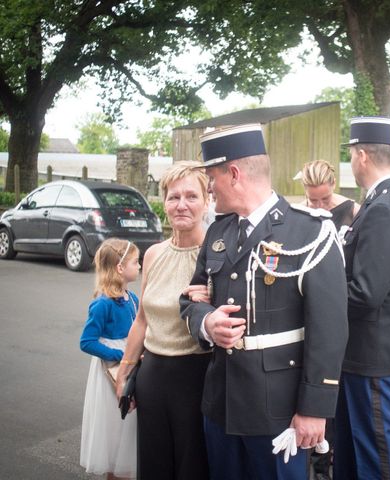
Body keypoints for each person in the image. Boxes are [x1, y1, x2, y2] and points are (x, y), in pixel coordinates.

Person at [179, 123, 348, 480]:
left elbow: (329, 331)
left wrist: (314, 409)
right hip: (221, 404)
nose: (209, 188)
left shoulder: (311, 231)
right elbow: (191, 297)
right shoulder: (220, 232)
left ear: (235, 174)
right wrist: (207, 322)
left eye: (212, 177)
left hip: (278, 410)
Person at [334, 117, 390, 480]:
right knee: (362, 447)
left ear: (363, 155)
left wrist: (318, 301)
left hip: (372, 350)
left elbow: (366, 293)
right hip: (375, 348)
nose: (352, 162)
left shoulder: (383, 208)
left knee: (377, 452)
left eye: (352, 154)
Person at [116, 161, 211, 479]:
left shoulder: (217, 254)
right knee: (154, 464)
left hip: (196, 378)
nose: (181, 205)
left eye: (191, 196)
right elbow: (142, 319)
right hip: (153, 377)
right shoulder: (154, 254)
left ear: (206, 201)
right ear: (164, 202)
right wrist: (124, 373)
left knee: (192, 466)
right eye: (173, 197)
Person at [298, 158, 358, 479]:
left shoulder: (354, 211)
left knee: (331, 392)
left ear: (334, 185)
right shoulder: (298, 214)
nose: (319, 205)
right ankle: (310, 461)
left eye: (324, 199)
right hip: (306, 310)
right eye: (312, 199)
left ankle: (328, 460)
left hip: (340, 307)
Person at [80, 238, 140, 480]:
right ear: (120, 268)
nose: (140, 266)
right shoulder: (103, 303)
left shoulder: (133, 299)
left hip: (132, 366)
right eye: (136, 262)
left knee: (129, 430)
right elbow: (87, 341)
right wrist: (122, 355)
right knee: (115, 430)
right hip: (111, 373)